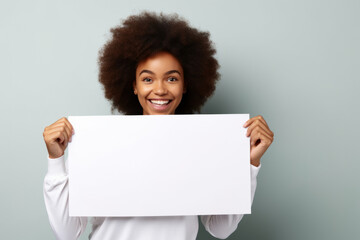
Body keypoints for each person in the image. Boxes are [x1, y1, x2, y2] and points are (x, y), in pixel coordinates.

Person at [43, 12, 274, 240]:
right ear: (134, 85)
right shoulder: (99, 142)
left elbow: (220, 229)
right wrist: (56, 161)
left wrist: (249, 163)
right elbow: (67, 233)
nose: (160, 90)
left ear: (186, 85)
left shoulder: (203, 144)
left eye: (172, 78)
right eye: (147, 79)